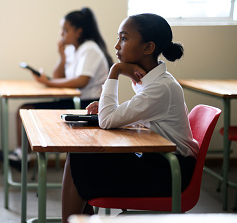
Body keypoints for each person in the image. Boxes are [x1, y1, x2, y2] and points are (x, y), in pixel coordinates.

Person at [61, 13, 199, 222]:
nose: (117, 46)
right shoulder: (155, 82)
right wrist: (111, 108)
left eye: (123, 38)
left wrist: (115, 71)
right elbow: (143, 119)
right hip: (159, 160)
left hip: (170, 172)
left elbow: (107, 121)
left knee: (80, 158)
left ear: (148, 48)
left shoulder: (161, 87)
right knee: (81, 157)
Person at [0, 7, 113, 169]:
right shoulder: (74, 49)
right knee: (24, 111)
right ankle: (22, 155)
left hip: (86, 104)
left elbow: (81, 81)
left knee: (25, 110)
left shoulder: (90, 49)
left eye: (65, 30)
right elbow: (59, 77)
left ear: (79, 31)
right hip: (73, 100)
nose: (61, 35)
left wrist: (48, 82)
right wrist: (62, 56)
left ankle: (22, 157)